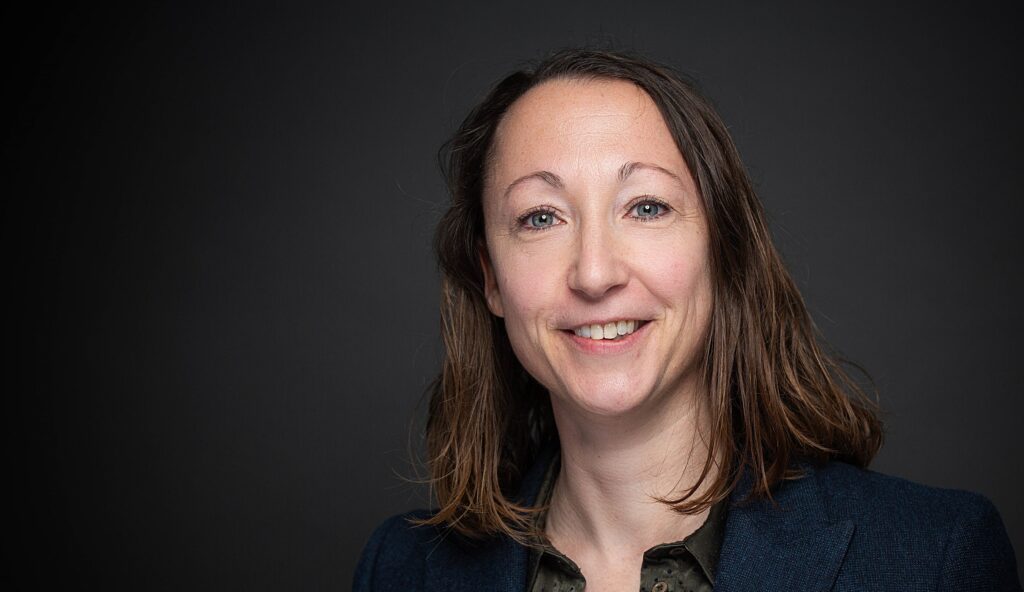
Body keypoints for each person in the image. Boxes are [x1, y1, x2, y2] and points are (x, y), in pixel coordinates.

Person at [353, 48, 1020, 591]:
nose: (594, 273)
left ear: (722, 250)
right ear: (492, 279)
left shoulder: (936, 557)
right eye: (541, 217)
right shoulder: (399, 571)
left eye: (646, 207)